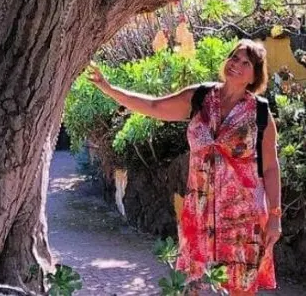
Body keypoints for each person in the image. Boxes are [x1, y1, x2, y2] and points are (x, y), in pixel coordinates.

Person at [88, 40, 281, 296]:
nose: (236, 65)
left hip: (243, 215)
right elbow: (154, 106)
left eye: (246, 63)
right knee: (193, 285)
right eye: (234, 58)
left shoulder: (260, 112)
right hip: (200, 210)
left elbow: (270, 167)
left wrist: (275, 217)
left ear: (255, 75)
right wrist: (109, 89)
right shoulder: (200, 98)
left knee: (238, 288)